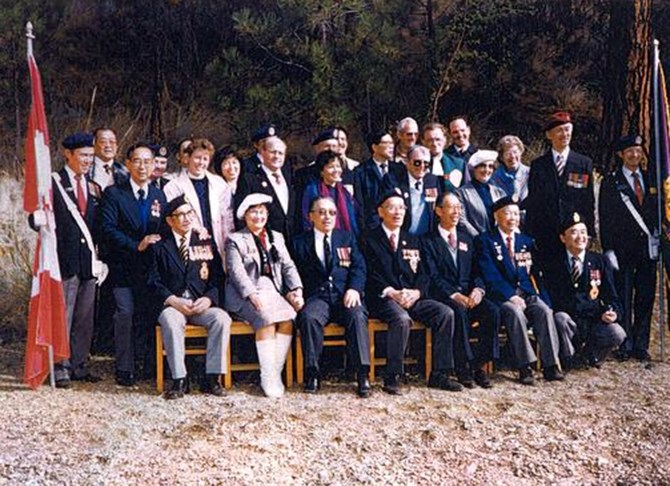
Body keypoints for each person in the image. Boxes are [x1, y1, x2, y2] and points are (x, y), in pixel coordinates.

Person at [362, 191, 462, 395]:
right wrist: (391, 292)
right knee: (401, 319)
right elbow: (368, 274)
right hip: (384, 298)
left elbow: (425, 273)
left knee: (445, 313)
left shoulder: (413, 239)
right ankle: (393, 376)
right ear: (381, 212)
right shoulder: (368, 239)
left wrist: (417, 292)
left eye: (402, 208)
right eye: (392, 207)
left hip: (412, 297)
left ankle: (440, 374)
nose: (398, 212)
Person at [30, 133, 106, 387]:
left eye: (90, 156)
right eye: (83, 155)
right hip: (63, 260)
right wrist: (37, 218)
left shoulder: (93, 186)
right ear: (68, 154)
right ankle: (60, 366)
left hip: (87, 262)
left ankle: (79, 364)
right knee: (64, 315)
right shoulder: (53, 183)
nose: (87, 161)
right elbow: (36, 217)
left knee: (85, 317)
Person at [475, 196, 567, 385]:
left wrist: (541, 297)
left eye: (516, 214)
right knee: (514, 312)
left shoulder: (526, 241)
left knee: (544, 310)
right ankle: (524, 366)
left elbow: (535, 274)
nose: (513, 218)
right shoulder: (484, 240)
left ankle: (551, 365)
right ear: (496, 216)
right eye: (508, 213)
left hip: (526, 292)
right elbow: (489, 274)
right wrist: (510, 295)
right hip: (501, 296)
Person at [147, 195, 231, 399]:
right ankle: (179, 380)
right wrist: (172, 300)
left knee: (221, 319)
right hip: (173, 305)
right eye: (180, 215)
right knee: (170, 320)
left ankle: (212, 378)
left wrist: (209, 299)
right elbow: (152, 281)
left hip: (200, 305)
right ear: (169, 220)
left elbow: (218, 278)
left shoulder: (204, 241)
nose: (186, 218)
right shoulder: (159, 245)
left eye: (189, 213)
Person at [98, 143, 168, 386]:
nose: (142, 166)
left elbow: (165, 229)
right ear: (127, 164)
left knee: (148, 314)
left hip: (149, 270)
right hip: (121, 267)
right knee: (125, 313)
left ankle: (147, 364)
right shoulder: (114, 193)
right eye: (137, 161)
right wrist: (134, 244)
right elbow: (106, 229)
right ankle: (124, 367)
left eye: (147, 161)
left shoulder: (159, 195)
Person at [224, 193, 304, 398]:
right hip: (244, 294)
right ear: (245, 216)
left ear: (267, 214)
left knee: (288, 319)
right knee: (266, 320)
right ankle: (267, 376)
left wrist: (297, 290)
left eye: (261, 212)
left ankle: (273, 374)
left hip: (272, 290)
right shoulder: (234, 239)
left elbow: (288, 265)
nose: (258, 216)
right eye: (253, 212)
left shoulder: (276, 237)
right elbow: (236, 272)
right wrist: (251, 294)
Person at [292, 197, 371, 397]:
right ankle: (313, 373)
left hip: (345, 294)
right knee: (309, 318)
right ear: (311, 216)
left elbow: (359, 267)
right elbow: (291, 272)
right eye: (322, 212)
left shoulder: (346, 238)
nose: (327, 217)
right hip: (317, 297)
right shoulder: (299, 242)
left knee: (357, 316)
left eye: (332, 213)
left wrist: (354, 288)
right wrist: (295, 291)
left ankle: (362, 374)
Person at [423, 193, 500, 388]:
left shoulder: (468, 239)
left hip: (469, 295)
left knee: (492, 311)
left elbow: (478, 271)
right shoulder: (427, 241)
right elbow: (432, 276)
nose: (456, 212)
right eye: (451, 207)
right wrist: (455, 295)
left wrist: (478, 290)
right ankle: (463, 366)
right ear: (439, 210)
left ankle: (479, 364)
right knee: (458, 310)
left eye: (459, 208)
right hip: (445, 295)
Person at [599, 135, 658, 362]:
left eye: (638, 150)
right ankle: (624, 343)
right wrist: (608, 250)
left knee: (645, 297)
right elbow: (605, 217)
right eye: (630, 151)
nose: (635, 155)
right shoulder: (611, 181)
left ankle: (641, 345)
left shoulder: (652, 179)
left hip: (646, 250)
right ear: (621, 155)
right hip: (622, 249)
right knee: (622, 296)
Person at [544, 213, 626, 369]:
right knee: (560, 318)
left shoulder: (599, 261)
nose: (580, 237)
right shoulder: (554, 262)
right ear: (563, 238)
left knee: (617, 333)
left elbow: (611, 296)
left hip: (593, 320)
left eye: (583, 232)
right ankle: (569, 358)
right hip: (568, 321)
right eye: (574, 232)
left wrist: (613, 312)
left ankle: (591, 356)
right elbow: (553, 297)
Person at [524, 111, 595, 270]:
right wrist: (529, 235)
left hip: (575, 233)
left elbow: (588, 201)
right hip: (546, 234)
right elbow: (534, 202)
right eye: (560, 130)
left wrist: (589, 233)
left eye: (567, 129)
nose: (565, 134)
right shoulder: (539, 165)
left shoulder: (583, 163)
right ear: (549, 135)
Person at [163, 138, 235, 260]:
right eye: (197, 157)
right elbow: (175, 219)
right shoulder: (174, 186)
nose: (201, 162)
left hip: (217, 244)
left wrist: (228, 244)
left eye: (205, 159)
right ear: (188, 158)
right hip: (190, 246)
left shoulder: (219, 184)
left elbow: (227, 218)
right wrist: (197, 231)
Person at [235, 136, 296, 239]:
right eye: (273, 152)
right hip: (265, 240)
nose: (277, 156)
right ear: (262, 152)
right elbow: (241, 215)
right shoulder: (249, 179)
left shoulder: (289, 175)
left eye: (280, 153)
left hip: (292, 239)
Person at [352, 130, 403, 231]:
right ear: (374, 147)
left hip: (396, 226)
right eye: (386, 143)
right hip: (371, 227)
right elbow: (360, 204)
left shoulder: (399, 170)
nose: (391, 146)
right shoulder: (361, 171)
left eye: (392, 143)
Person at [300, 150, 360, 235]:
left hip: (345, 239)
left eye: (338, 166)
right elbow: (307, 218)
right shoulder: (312, 190)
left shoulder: (344, 192)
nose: (336, 170)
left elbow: (353, 217)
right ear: (321, 171)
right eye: (331, 167)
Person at [391, 145, 442, 236]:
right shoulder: (394, 180)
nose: (422, 167)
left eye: (426, 163)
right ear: (407, 162)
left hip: (427, 238)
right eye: (417, 163)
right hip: (403, 236)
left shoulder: (432, 180)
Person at [455, 150, 507, 237]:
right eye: (483, 166)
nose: (487, 170)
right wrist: (480, 238)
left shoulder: (499, 192)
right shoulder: (461, 193)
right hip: (475, 241)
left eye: (490, 166)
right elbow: (462, 220)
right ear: (474, 168)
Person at [421, 122, 465, 193]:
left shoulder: (459, 164)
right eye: (430, 140)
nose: (434, 144)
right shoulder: (417, 164)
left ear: (444, 140)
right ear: (423, 142)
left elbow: (465, 191)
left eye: (438, 139)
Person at [490, 135, 530, 202]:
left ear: (520, 153)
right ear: (502, 157)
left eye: (515, 152)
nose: (513, 156)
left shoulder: (531, 173)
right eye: (508, 153)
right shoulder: (494, 178)